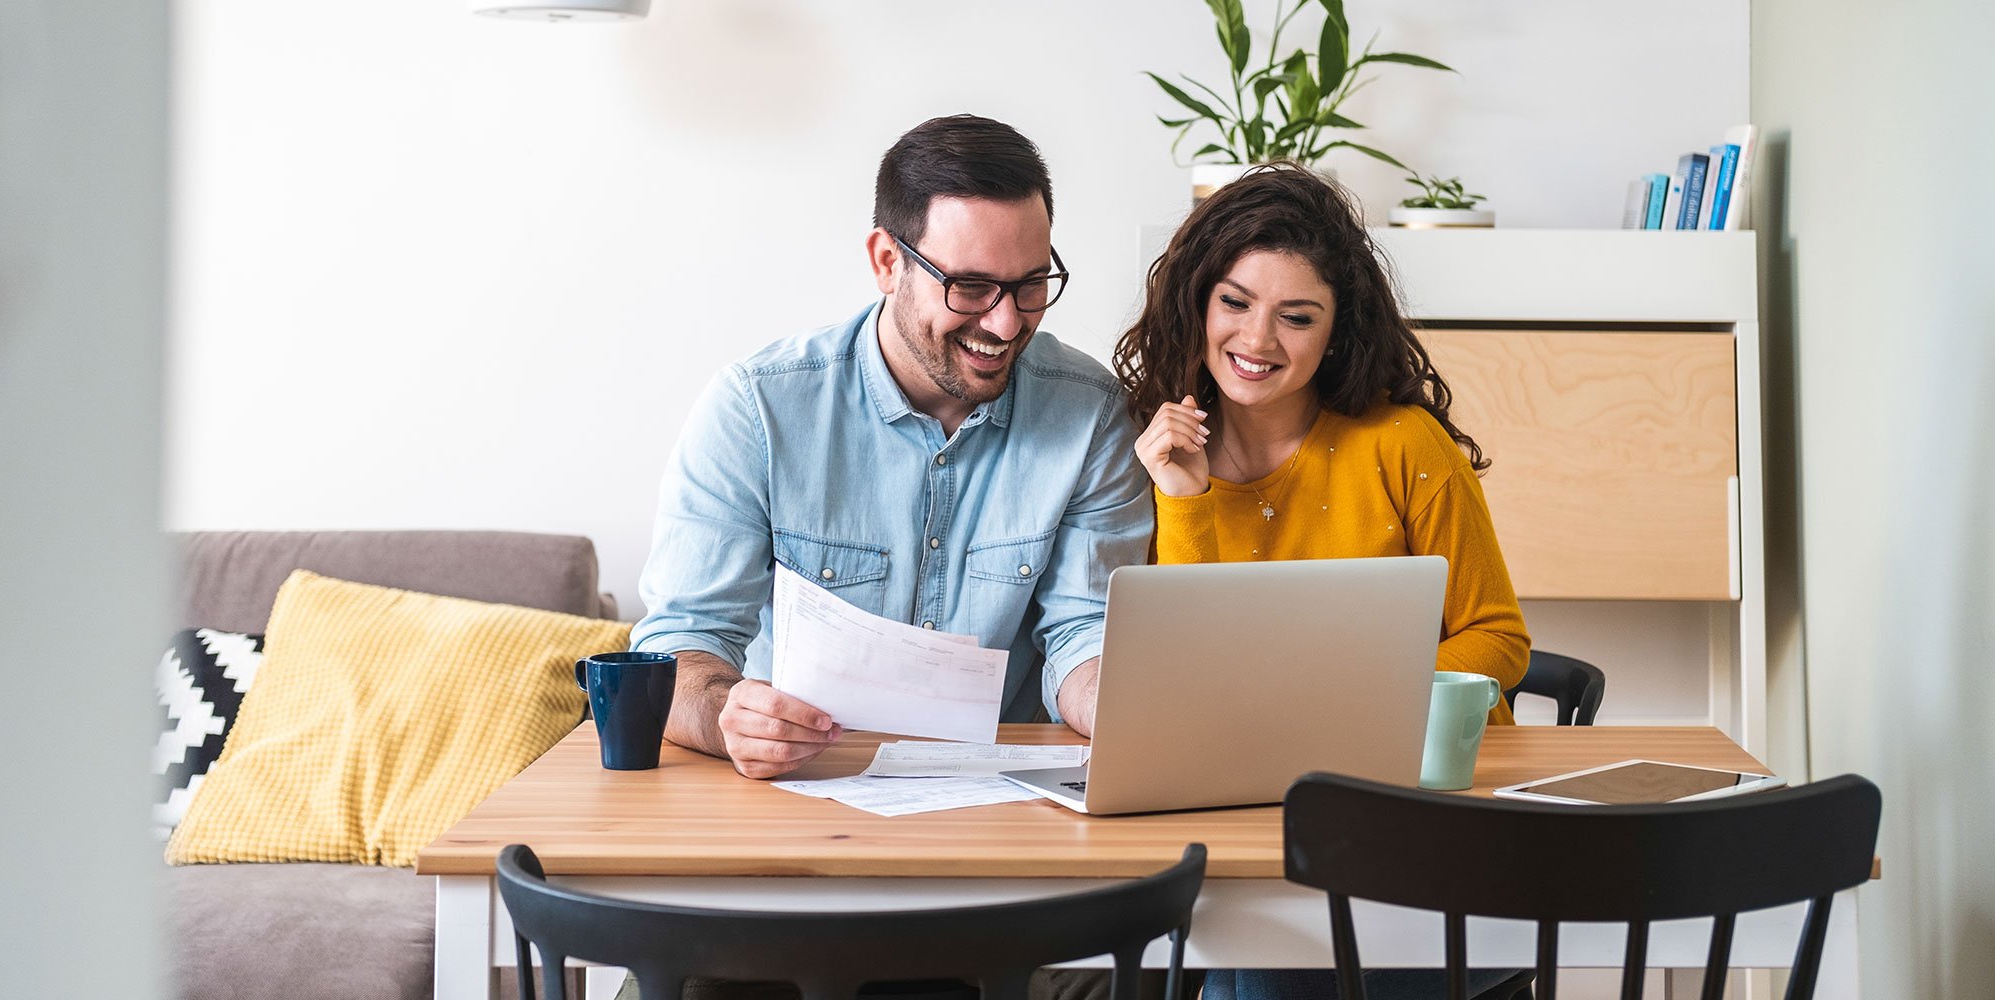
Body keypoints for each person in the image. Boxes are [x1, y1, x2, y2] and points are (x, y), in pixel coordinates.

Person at [1113, 163, 1530, 1000]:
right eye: (1235, 303)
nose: (1258, 340)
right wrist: (1185, 501)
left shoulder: (1403, 444)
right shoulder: (1144, 447)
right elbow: (1188, 675)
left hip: (1408, 812)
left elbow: (1499, 637)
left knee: (1264, 968)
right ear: (1196, 301)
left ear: (1335, 331)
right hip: (1231, 807)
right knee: (1252, 952)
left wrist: (1368, 706)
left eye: (1296, 317)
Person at [631, 113, 1150, 785]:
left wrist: (1118, 706)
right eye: (970, 286)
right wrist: (728, 715)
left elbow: (1083, 632)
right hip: (794, 794)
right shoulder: (756, 409)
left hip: (1003, 805)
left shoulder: (1092, 413)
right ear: (886, 262)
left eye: (1029, 284)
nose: (1005, 322)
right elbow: (680, 644)